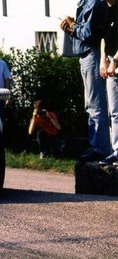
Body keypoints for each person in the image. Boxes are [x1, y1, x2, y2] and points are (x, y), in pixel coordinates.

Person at [60, 0, 111, 162]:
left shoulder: (93, 3)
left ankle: (100, 148)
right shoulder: (87, 3)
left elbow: (89, 33)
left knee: (95, 104)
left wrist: (72, 26)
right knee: (91, 103)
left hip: (91, 54)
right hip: (87, 55)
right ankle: (97, 145)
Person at [99, 0, 118, 166]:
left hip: (116, 63)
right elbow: (104, 39)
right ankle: (116, 151)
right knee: (113, 112)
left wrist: (115, 61)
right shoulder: (106, 10)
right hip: (111, 65)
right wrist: (102, 60)